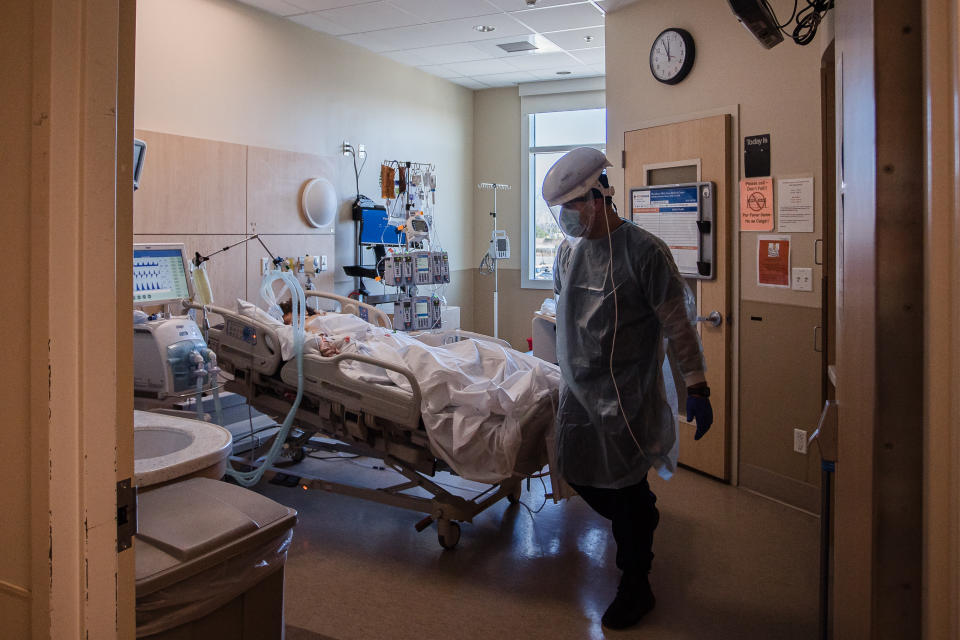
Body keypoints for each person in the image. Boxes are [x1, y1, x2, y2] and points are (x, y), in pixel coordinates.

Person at [542, 147, 714, 630]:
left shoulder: (646, 252)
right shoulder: (568, 253)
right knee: (578, 471)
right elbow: (567, 313)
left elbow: (679, 325)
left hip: (626, 394)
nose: (567, 218)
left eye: (573, 206)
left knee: (624, 483)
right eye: (561, 210)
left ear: (599, 197)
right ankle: (639, 513)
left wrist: (696, 385)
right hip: (578, 391)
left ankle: (636, 581)